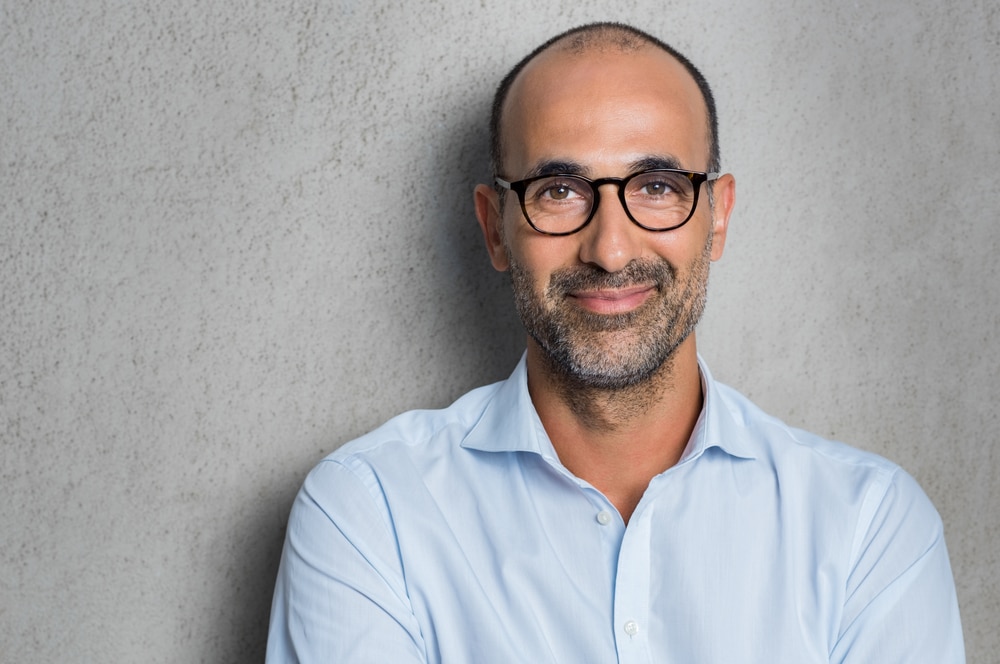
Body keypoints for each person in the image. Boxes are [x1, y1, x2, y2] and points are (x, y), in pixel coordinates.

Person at [266, 22, 965, 663]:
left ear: (716, 219)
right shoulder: (371, 514)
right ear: (494, 228)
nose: (609, 248)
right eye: (559, 190)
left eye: (657, 186)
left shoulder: (868, 527)